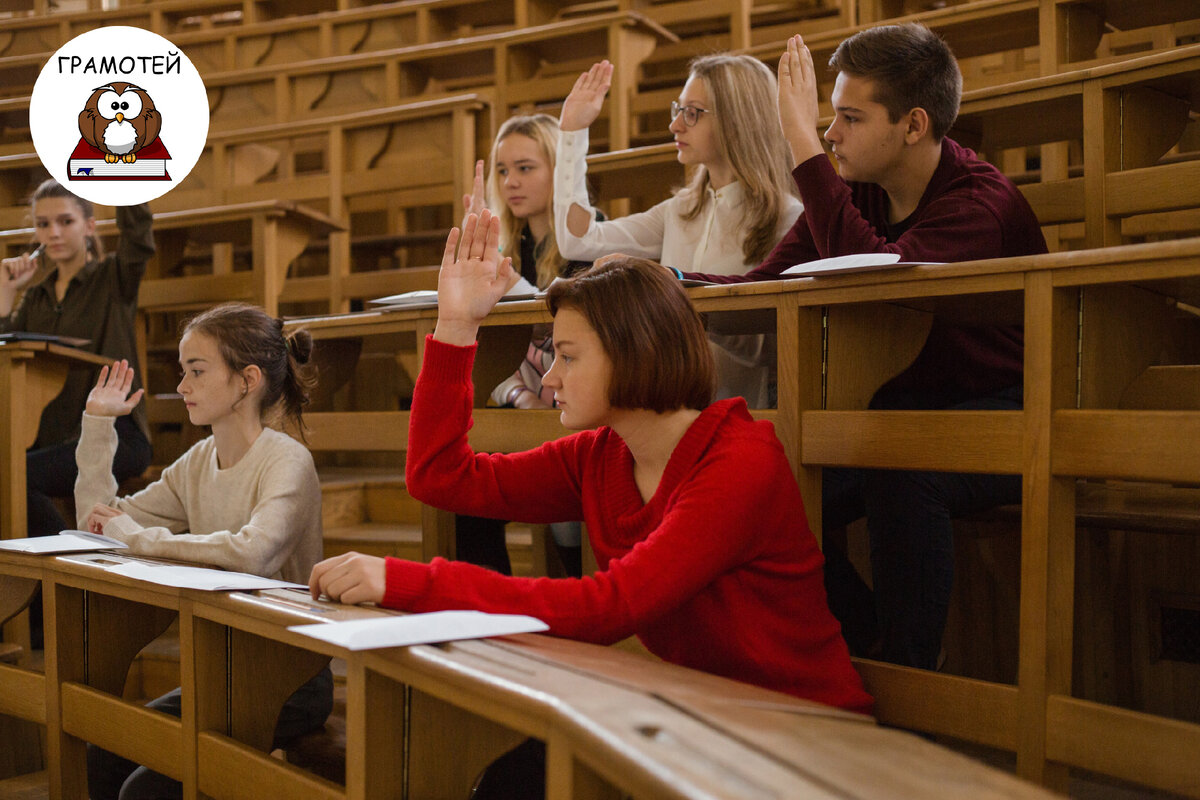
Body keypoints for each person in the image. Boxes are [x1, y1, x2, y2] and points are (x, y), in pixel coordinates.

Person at [310, 209, 873, 718]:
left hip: (804, 722)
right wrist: (457, 326)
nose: (549, 377)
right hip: (703, 713)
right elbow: (441, 477)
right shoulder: (602, 453)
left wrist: (404, 580)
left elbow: (607, 608)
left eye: (569, 356)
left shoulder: (741, 461)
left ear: (636, 353)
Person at [685, 24, 1049, 670]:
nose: (829, 134)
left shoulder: (979, 202)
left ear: (912, 125)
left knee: (900, 471)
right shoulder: (859, 194)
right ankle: (856, 651)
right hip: (905, 408)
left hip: (1010, 406)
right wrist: (676, 286)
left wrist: (799, 143)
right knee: (770, 482)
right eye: (828, 119)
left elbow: (884, 280)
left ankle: (907, 680)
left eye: (849, 118)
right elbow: (766, 286)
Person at [77, 303, 332, 800]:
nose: (182, 386)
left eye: (196, 371)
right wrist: (97, 425)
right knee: (104, 753)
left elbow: (252, 553)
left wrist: (134, 536)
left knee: (144, 792)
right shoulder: (197, 461)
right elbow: (102, 521)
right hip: (221, 671)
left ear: (247, 380)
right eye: (182, 372)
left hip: (289, 678)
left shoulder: (288, 462)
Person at [555, 55, 803, 406]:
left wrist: (682, 300)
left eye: (692, 112)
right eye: (679, 109)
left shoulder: (787, 218)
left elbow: (778, 345)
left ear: (737, 121)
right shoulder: (679, 211)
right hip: (669, 411)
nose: (674, 125)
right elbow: (577, 239)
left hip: (744, 415)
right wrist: (572, 133)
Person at [457, 114, 591, 577]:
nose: (511, 182)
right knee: (464, 495)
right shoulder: (510, 244)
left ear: (560, 169)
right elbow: (491, 349)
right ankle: (485, 618)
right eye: (502, 170)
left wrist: (505, 278)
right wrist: (521, 396)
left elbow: (569, 336)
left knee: (570, 534)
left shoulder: (590, 240)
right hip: (521, 406)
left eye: (525, 168)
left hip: (577, 411)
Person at [0, 180, 154, 540]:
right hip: (51, 436)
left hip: (117, 433)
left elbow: (139, 237)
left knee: (13, 477)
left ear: (89, 225)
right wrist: (6, 292)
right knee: (9, 471)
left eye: (65, 221)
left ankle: (67, 569)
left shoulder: (113, 277)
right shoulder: (36, 296)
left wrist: (121, 176)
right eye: (42, 224)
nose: (52, 233)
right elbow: (6, 356)